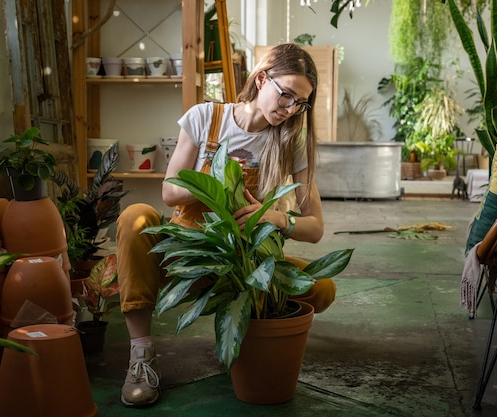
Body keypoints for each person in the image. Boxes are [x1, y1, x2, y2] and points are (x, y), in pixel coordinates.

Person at [116, 42, 336, 407]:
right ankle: (141, 355)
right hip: (188, 255)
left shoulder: (290, 140)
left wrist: (275, 217)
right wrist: (218, 184)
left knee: (323, 288)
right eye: (286, 96)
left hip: (242, 266)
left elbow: (314, 228)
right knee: (135, 217)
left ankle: (236, 334)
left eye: (300, 103)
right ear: (263, 78)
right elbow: (170, 192)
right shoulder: (205, 117)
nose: (291, 109)